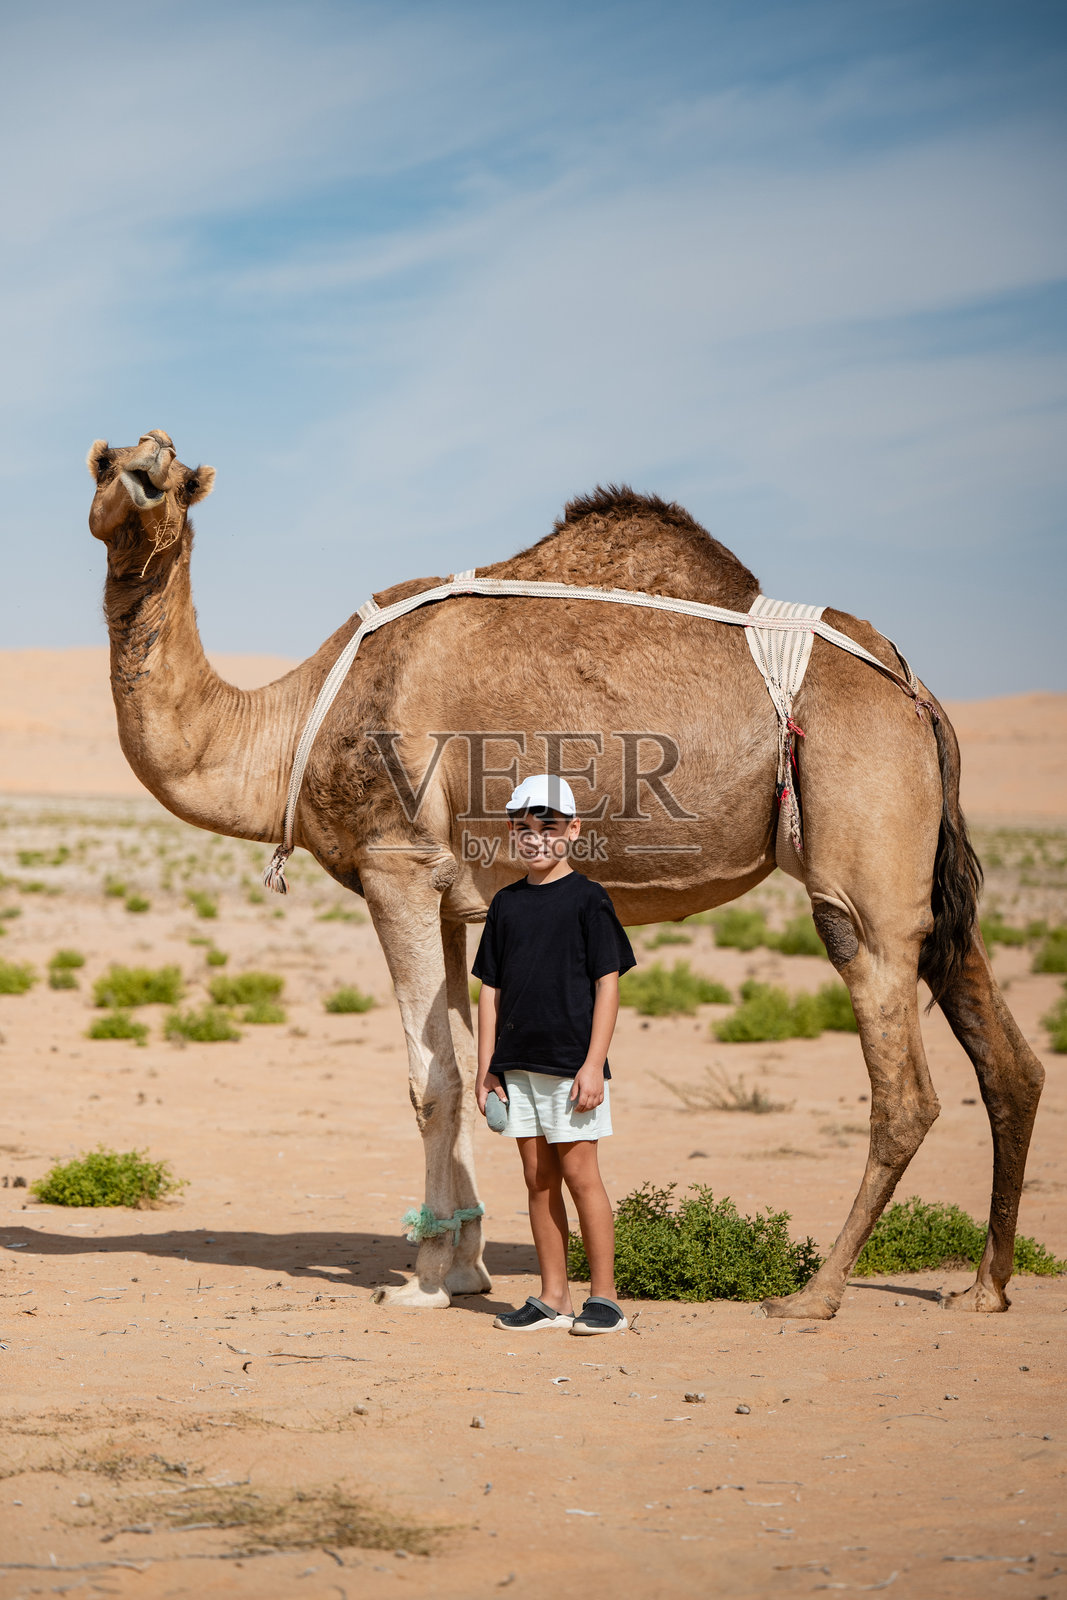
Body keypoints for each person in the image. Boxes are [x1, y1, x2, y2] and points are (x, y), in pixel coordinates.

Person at [472, 774, 636, 1334]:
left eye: (548, 827)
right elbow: (489, 992)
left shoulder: (589, 900)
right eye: (523, 828)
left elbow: (608, 984)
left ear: (573, 830)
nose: (535, 838)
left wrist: (594, 1065)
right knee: (537, 1180)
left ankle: (605, 1300)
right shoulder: (505, 904)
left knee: (580, 1175)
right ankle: (552, 1298)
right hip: (516, 1066)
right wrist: (486, 1068)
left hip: (571, 1068)